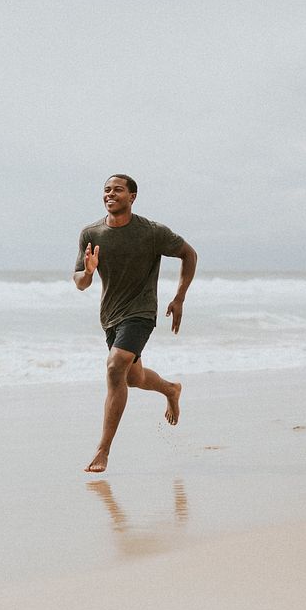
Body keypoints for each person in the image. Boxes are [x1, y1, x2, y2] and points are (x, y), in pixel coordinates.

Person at [73, 174, 197, 473]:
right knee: (132, 377)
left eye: (118, 190)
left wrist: (179, 297)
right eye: (106, 190)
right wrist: (88, 272)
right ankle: (170, 389)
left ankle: (102, 450)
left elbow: (189, 254)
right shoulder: (91, 233)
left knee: (115, 366)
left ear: (132, 197)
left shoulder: (151, 232)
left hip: (141, 312)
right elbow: (80, 283)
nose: (110, 194)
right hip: (110, 316)